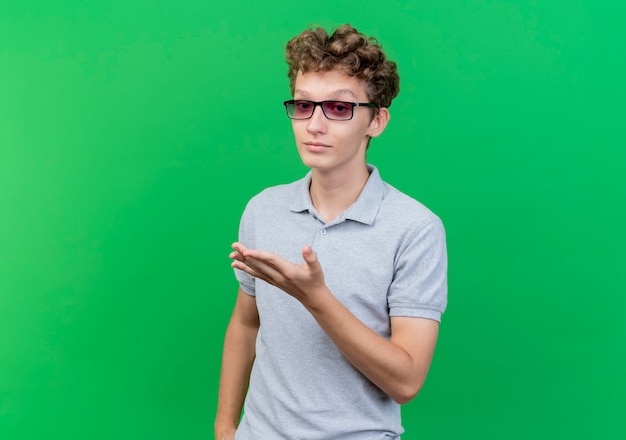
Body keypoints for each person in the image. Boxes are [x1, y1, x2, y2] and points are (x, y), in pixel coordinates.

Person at [214, 24, 448, 440]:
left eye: (339, 109)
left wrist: (317, 299)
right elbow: (246, 324)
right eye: (303, 106)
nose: (314, 125)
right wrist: (225, 427)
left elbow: (406, 381)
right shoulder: (263, 209)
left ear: (376, 121)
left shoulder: (415, 228)